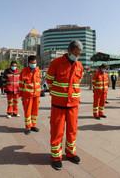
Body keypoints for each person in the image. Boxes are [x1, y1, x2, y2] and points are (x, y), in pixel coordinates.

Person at [46, 40, 84, 170]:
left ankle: (70, 153)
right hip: (58, 105)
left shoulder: (79, 65)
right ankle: (56, 157)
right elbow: (49, 80)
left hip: (73, 105)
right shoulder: (56, 63)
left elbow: (77, 82)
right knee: (57, 131)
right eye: (77, 52)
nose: (78, 55)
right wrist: (57, 94)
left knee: (72, 131)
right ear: (70, 50)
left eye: (80, 53)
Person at [19, 55, 41, 135]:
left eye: (35, 63)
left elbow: (39, 82)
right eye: (32, 63)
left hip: (36, 95)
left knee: (35, 111)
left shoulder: (38, 71)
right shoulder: (24, 71)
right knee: (27, 112)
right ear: (28, 63)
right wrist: (21, 95)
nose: (34, 64)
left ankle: (33, 125)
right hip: (27, 95)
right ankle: (28, 127)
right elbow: (21, 84)